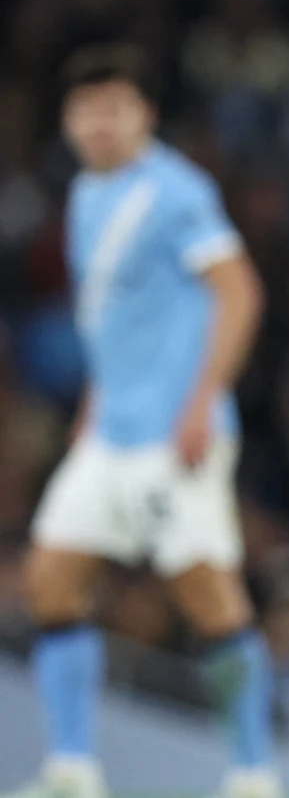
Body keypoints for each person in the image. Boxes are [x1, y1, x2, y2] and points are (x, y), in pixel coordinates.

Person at [9, 46, 275, 798]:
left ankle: (254, 775)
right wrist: (97, 397)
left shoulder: (175, 192)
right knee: (51, 579)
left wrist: (199, 402)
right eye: (85, 109)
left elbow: (240, 293)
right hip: (111, 431)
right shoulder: (88, 193)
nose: (99, 122)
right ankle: (72, 769)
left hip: (175, 432)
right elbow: (120, 317)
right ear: (68, 120)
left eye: (114, 107)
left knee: (207, 596)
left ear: (143, 113)